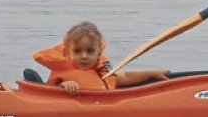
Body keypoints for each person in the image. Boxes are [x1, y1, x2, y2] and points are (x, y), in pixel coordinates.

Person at [30, 21, 168, 93]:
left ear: (99, 52)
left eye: (90, 51)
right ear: (68, 52)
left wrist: (152, 74)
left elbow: (123, 78)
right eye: (77, 51)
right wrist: (64, 86)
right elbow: (52, 91)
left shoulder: (102, 70)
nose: (84, 56)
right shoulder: (64, 74)